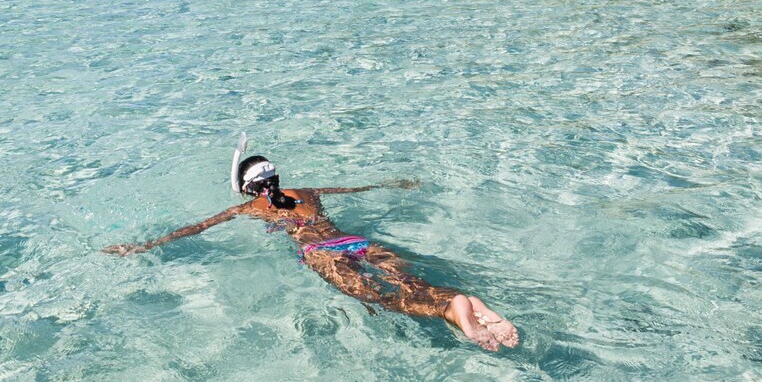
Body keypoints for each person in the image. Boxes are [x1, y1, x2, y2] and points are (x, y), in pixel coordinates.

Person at [103, 152, 519, 351]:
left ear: (249, 189)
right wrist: (397, 184)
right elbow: (356, 187)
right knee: (411, 281)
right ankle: (459, 302)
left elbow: (194, 229)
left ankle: (451, 311)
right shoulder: (306, 191)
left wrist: (143, 247)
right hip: (353, 240)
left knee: (375, 296)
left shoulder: (249, 207)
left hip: (321, 252)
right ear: (276, 176)